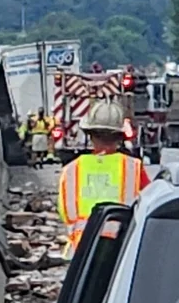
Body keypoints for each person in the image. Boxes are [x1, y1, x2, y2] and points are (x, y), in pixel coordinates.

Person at [58, 100, 150, 259]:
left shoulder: (71, 170)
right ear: (120, 137)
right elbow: (149, 202)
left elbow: (64, 213)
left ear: (90, 135)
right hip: (120, 249)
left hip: (81, 252)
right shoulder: (133, 167)